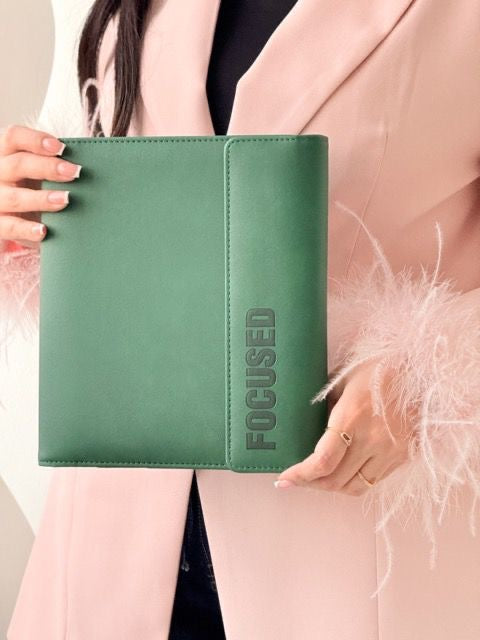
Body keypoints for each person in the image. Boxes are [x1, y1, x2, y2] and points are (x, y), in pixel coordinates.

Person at [3, 0, 480, 638]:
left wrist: (431, 372)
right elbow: (106, 219)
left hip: (347, 549)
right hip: (112, 539)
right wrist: (23, 213)